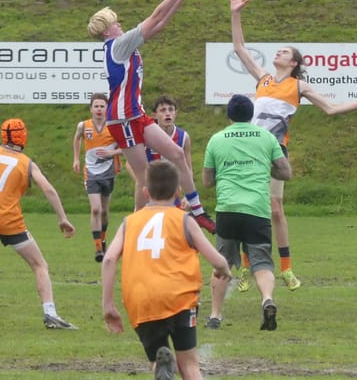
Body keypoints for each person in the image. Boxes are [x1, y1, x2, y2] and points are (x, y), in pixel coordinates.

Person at [229, 0, 357, 292]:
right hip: (249, 149)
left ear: (295, 63)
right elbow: (239, 47)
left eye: (285, 52)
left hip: (274, 151)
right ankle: (247, 267)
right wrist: (236, 12)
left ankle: (286, 268)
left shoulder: (299, 85)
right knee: (248, 207)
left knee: (275, 209)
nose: (279, 53)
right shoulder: (262, 78)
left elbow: (330, 109)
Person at [87, 0, 216, 233]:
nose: (120, 24)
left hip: (137, 114)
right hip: (122, 119)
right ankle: (139, 228)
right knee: (148, 179)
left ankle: (198, 211)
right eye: (116, 22)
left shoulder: (125, 46)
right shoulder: (118, 44)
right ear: (108, 30)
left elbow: (160, 24)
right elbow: (155, 15)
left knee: (177, 154)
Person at [101, 159, 232, 380]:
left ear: (145, 191)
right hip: (179, 297)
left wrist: (108, 305)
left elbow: (109, 260)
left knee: (157, 360)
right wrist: (224, 271)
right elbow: (217, 260)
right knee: (189, 365)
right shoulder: (184, 220)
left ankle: (162, 371)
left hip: (141, 300)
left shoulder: (129, 222)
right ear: (178, 191)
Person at [0, 118, 78, 329]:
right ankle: (50, 314)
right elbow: (48, 189)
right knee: (39, 265)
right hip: (9, 221)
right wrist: (63, 218)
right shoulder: (27, 163)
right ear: (23, 136)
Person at [203, 94, 293, 332]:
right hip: (257, 209)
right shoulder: (266, 137)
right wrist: (264, 165)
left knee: (223, 265)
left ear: (229, 115)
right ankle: (267, 299)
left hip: (228, 209)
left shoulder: (216, 139)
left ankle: (215, 315)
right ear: (252, 115)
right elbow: (286, 173)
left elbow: (207, 180)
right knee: (262, 263)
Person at [72, 93, 123, 263]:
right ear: (91, 108)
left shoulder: (113, 126)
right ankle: (98, 249)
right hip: (91, 173)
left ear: (106, 108)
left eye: (102, 106)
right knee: (95, 209)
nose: (99, 109)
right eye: (96, 106)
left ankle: (103, 238)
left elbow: (125, 146)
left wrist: (112, 153)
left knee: (104, 211)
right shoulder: (83, 126)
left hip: (108, 173)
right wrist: (76, 159)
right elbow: (77, 138)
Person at [144, 95, 192, 208]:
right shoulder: (146, 135)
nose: (167, 113)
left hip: (173, 193)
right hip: (151, 193)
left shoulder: (183, 137)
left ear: (176, 113)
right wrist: (144, 183)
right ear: (154, 115)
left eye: (171, 109)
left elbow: (188, 169)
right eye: (163, 110)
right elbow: (130, 165)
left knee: (173, 224)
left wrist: (188, 195)